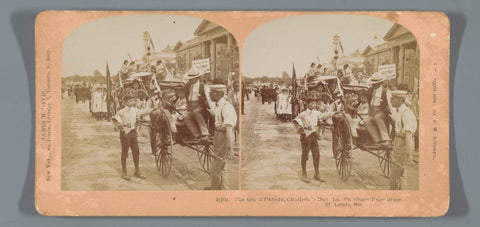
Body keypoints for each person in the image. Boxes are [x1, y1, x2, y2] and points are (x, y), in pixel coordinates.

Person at [112, 91, 156, 181]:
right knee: (125, 153)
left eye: (133, 101)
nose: (132, 102)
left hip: (133, 133)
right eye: (130, 101)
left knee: (136, 152)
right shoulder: (121, 111)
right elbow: (114, 119)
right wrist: (120, 126)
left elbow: (143, 112)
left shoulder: (135, 110)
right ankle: (124, 171)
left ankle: (137, 171)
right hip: (125, 133)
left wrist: (152, 109)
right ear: (125, 102)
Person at [293, 99, 335, 183]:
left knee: (317, 155)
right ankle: (304, 174)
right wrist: (303, 125)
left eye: (315, 103)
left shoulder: (316, 113)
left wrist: (334, 113)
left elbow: (324, 116)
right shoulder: (303, 113)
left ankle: (317, 174)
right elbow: (296, 120)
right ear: (307, 104)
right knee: (305, 155)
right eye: (312, 103)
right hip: (305, 136)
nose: (314, 105)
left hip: (314, 136)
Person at [206, 84, 237, 190]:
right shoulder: (218, 105)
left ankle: (215, 190)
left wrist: (231, 148)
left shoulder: (227, 108)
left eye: (212, 93)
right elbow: (219, 119)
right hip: (218, 134)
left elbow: (229, 130)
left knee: (215, 168)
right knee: (223, 166)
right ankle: (224, 189)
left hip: (224, 136)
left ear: (220, 94)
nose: (210, 95)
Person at [389, 90, 417, 190]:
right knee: (402, 174)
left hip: (403, 143)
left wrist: (409, 155)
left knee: (393, 177)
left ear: (400, 100)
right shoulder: (399, 111)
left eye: (393, 99)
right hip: (398, 142)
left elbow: (408, 136)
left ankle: (394, 196)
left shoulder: (407, 114)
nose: (391, 100)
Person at [183, 67, 212, 141]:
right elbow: (187, 98)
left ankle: (205, 133)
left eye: (192, 78)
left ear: (197, 78)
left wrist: (212, 109)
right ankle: (197, 135)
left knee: (196, 112)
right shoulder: (188, 86)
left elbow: (208, 98)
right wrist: (187, 107)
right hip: (191, 107)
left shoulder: (203, 86)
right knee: (185, 116)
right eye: (190, 78)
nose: (190, 80)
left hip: (201, 108)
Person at [364, 73, 392, 147]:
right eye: (373, 84)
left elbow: (390, 104)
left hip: (383, 113)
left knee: (377, 117)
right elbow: (367, 99)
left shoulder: (385, 91)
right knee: (366, 121)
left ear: (380, 83)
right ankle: (378, 141)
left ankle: (386, 140)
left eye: (375, 84)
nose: (374, 85)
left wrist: (393, 115)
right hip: (373, 112)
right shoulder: (371, 90)